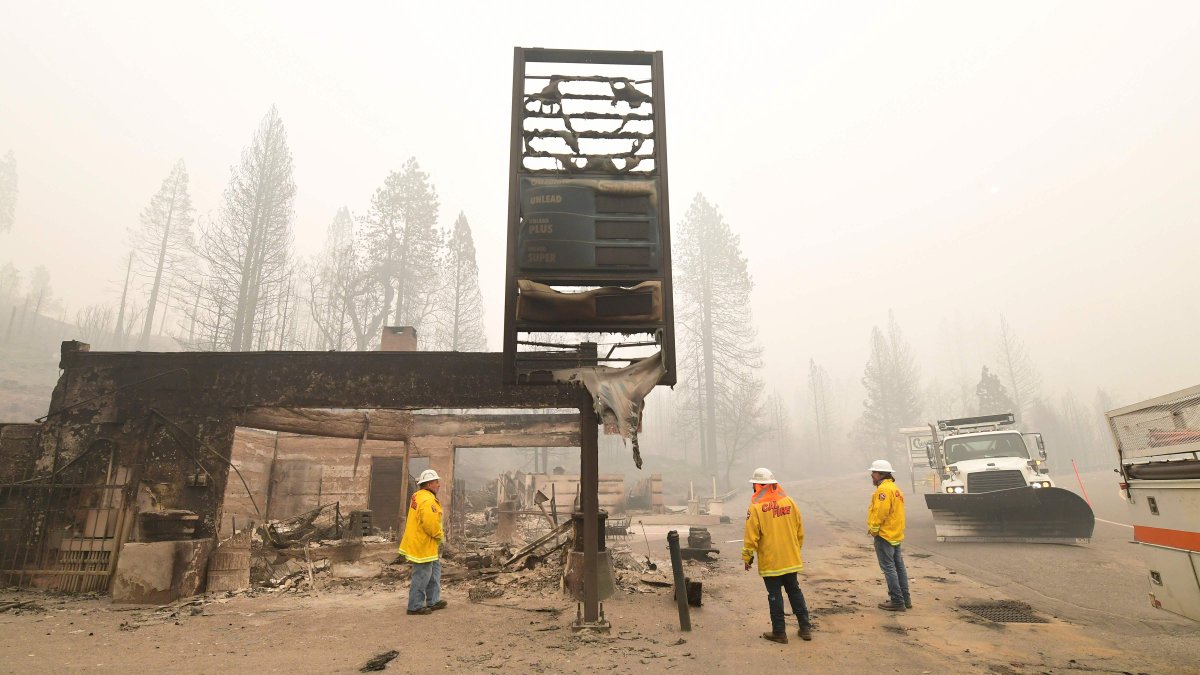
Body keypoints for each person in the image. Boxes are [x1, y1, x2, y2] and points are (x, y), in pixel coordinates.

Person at [741, 467, 813, 644]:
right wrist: (795, 549)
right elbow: (799, 529)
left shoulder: (756, 508)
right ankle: (805, 628)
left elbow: (751, 536)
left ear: (758, 485)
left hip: (771, 561)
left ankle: (779, 632)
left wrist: (747, 557)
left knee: (775, 594)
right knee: (794, 590)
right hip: (791, 559)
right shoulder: (789, 501)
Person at [399, 469, 446, 616]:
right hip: (423, 544)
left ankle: (433, 600)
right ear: (429, 484)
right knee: (422, 575)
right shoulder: (428, 500)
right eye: (436, 482)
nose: (439, 485)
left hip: (425, 544)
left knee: (434, 571)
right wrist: (440, 536)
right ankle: (415, 606)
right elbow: (430, 524)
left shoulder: (418, 496)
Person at [867, 459, 911, 611]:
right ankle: (905, 599)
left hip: (885, 534)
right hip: (896, 533)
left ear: (881, 474)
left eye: (874, 472)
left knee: (889, 568)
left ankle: (897, 601)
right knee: (899, 567)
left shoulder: (883, 490)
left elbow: (881, 512)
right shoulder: (895, 488)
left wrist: (874, 528)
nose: (872, 475)